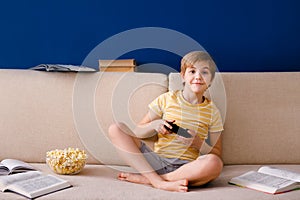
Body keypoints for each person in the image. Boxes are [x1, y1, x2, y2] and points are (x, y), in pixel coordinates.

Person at [108, 51, 224, 192]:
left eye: (204, 73)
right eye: (192, 71)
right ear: (183, 76)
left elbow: (217, 153)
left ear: (211, 80)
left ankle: (152, 180)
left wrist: (198, 143)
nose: (198, 77)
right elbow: (138, 131)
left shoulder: (212, 111)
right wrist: (155, 125)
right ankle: (158, 181)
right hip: (157, 161)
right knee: (116, 128)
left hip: (187, 168)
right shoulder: (167, 99)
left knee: (215, 163)